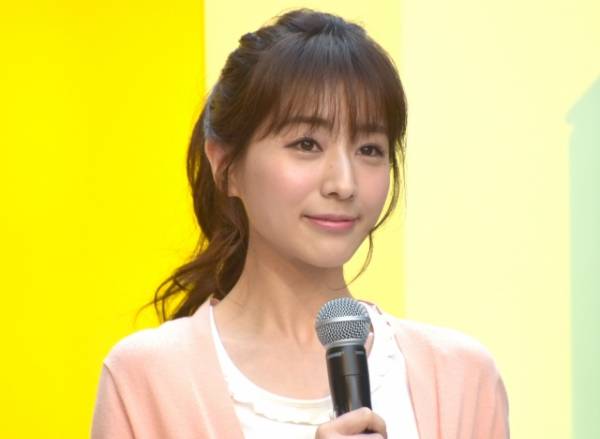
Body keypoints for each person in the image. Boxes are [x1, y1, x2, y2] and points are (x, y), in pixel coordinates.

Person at [91, 8, 509, 439]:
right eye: (307, 144)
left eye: (369, 149)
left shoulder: (464, 379)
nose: (344, 184)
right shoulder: (144, 380)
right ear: (226, 166)